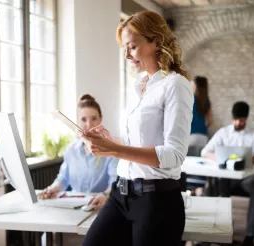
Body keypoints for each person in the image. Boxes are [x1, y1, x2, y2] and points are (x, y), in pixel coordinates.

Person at [79, 10, 194, 246]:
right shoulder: (138, 87)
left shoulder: (175, 85)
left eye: (131, 46)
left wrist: (113, 150)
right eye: (124, 49)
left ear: (156, 42)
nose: (127, 56)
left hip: (157, 201)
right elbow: (136, 146)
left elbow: (174, 155)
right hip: (120, 195)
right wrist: (111, 141)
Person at [201, 101, 254, 246]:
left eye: (241, 120)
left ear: (246, 119)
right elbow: (205, 152)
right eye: (235, 119)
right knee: (210, 186)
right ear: (232, 118)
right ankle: (212, 231)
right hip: (225, 180)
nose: (237, 122)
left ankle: (250, 235)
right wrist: (218, 158)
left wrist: (248, 159)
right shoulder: (223, 133)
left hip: (245, 181)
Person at [38, 94, 118, 211]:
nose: (89, 125)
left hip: (100, 206)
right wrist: (52, 189)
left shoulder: (111, 150)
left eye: (94, 118)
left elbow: (114, 183)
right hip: (74, 206)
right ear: (77, 121)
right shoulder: (71, 150)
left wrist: (105, 195)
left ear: (101, 119)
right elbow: (63, 179)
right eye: (83, 119)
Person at [188, 75, 212, 156]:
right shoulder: (207, 101)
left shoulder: (190, 99)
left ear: (196, 85)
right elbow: (210, 122)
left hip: (190, 136)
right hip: (203, 137)